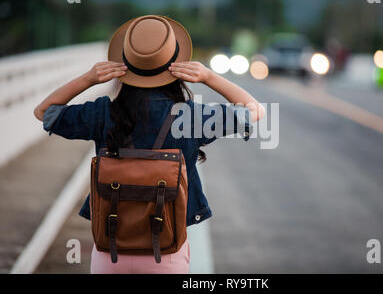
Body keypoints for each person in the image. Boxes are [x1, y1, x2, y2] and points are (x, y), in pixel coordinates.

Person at [33, 15, 265, 274]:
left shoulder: (103, 114)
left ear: (125, 65)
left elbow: (45, 112)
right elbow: (254, 111)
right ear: (176, 68)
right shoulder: (190, 117)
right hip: (166, 252)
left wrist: (88, 79)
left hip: (110, 250)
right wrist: (209, 77)